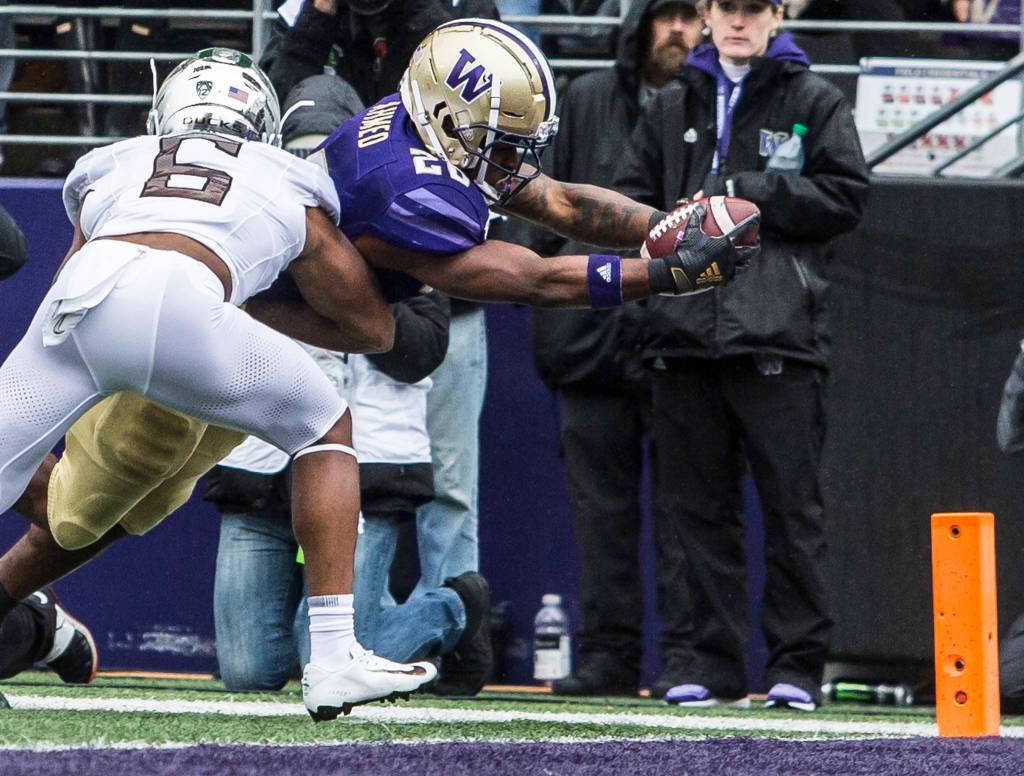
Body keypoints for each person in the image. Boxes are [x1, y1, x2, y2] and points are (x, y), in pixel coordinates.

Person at [3, 20, 756, 687]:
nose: (512, 161)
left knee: (119, 503)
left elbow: (553, 201)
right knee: (84, 508)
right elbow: (514, 283)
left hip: (185, 322)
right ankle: (44, 619)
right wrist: (659, 273)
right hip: (230, 323)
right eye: (497, 143)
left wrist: (668, 224)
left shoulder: (412, 129)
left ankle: (38, 613)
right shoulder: (391, 189)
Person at [0, 47, 440, 722]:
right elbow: (371, 326)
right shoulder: (284, 175)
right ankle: (333, 656)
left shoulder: (117, 161)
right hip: (184, 305)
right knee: (324, 425)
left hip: (78, 305)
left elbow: (74, 273)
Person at [615, 0, 869, 711]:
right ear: (705, 11)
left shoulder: (813, 98)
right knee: (695, 513)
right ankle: (707, 661)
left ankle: (795, 667)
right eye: (727, 6)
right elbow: (630, 199)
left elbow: (848, 195)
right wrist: (674, 229)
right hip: (682, 338)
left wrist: (748, 196)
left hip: (778, 338)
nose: (737, 21)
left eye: (754, 8)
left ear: (777, 13)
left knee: (794, 512)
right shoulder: (670, 103)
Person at [527, 0, 703, 698]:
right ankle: (608, 658)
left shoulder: (708, 100)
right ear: (640, 25)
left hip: (678, 339)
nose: (679, 32)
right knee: (600, 519)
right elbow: (541, 208)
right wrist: (545, 298)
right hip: (589, 343)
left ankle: (688, 660)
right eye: (668, 17)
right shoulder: (587, 96)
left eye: (692, 18)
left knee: (687, 515)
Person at [262, 0, 500, 110]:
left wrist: (422, 12)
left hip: (428, 160)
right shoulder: (305, 8)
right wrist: (318, 16)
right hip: (336, 161)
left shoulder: (464, 7)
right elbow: (272, 103)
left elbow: (488, 96)